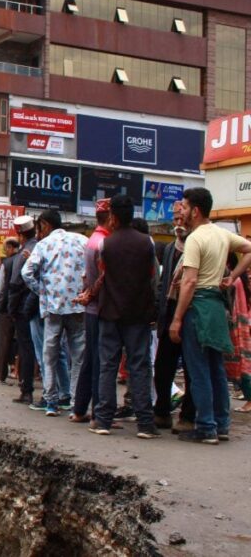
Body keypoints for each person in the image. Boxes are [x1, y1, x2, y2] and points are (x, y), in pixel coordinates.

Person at [169, 187, 251, 444]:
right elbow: (249, 249)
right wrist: (232, 276)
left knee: (199, 370)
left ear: (195, 210)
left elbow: (189, 282)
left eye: (183, 206)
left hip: (199, 306)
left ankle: (206, 427)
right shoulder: (221, 234)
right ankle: (222, 424)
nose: (180, 212)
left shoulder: (195, 239)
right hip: (217, 307)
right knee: (216, 368)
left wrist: (177, 318)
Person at [86, 194, 160, 438]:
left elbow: (102, 276)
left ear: (113, 217)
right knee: (139, 367)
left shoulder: (106, 244)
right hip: (138, 314)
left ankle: (104, 420)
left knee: (108, 365)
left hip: (110, 312)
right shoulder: (146, 242)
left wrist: (89, 295)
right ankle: (145, 424)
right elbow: (152, 278)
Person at [22, 209, 87, 417]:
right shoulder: (82, 240)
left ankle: (51, 402)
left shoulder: (43, 245)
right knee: (78, 357)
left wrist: (43, 290)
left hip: (53, 308)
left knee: (49, 356)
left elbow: (26, 273)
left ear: (46, 226)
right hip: (78, 306)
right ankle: (76, 404)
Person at [153, 201, 196, 432]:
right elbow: (163, 285)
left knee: (192, 369)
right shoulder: (170, 249)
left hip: (190, 315)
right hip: (168, 314)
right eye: (175, 220)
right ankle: (162, 411)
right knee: (162, 368)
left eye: (182, 219)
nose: (178, 224)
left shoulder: (199, 245)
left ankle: (188, 416)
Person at [70, 198, 111, 423]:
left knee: (90, 359)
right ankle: (98, 412)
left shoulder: (93, 240)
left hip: (91, 309)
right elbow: (104, 277)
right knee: (99, 361)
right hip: (99, 308)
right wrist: (90, 294)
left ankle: (79, 409)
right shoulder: (103, 243)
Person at [9, 216, 39, 405]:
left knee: (26, 348)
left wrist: (11, 308)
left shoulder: (25, 252)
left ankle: (26, 389)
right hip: (41, 303)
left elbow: (16, 283)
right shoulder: (40, 247)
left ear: (20, 234)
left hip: (25, 306)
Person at [224, 253, 251, 412]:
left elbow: (237, 306)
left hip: (238, 327)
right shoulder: (238, 280)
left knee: (243, 365)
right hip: (239, 325)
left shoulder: (236, 281)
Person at [0, 237, 21, 384]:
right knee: (23, 343)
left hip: (7, 307)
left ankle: (1, 375)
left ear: (11, 247)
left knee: (4, 341)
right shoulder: (25, 259)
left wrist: (0, 305)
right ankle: (22, 376)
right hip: (22, 308)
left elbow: (0, 289)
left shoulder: (7, 263)